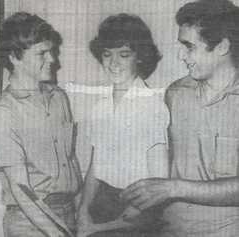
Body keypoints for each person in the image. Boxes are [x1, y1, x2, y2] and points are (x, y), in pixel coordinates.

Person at [120, 0, 239, 236]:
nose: (180, 55)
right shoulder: (175, 94)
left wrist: (174, 188)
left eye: (189, 46)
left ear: (222, 46)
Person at [0, 12, 83, 237]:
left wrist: (80, 213)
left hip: (68, 212)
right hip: (29, 221)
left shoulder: (59, 97)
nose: (52, 59)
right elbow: (21, 189)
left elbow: (71, 160)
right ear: (14, 57)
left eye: (52, 51)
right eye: (42, 53)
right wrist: (56, 232)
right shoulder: (3, 112)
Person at [77, 13, 170, 237]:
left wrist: (98, 228)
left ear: (139, 57)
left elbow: (158, 185)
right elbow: (95, 167)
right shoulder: (101, 106)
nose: (113, 63)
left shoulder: (152, 106)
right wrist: (83, 211)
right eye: (107, 54)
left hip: (137, 212)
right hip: (102, 204)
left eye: (124, 54)